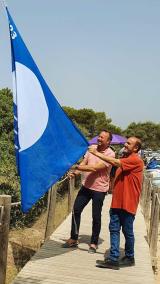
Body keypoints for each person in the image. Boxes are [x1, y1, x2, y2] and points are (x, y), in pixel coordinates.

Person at [88, 136, 144, 268]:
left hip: (128, 203)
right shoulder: (125, 159)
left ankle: (130, 257)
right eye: (126, 142)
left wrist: (96, 153)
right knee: (114, 229)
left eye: (129, 143)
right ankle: (113, 259)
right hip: (117, 202)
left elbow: (116, 163)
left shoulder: (136, 160)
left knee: (127, 231)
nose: (125, 144)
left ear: (136, 148)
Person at [63, 130, 115, 253]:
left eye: (102, 137)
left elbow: (94, 168)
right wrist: (76, 173)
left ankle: (93, 242)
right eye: (99, 136)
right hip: (86, 187)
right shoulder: (91, 149)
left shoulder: (110, 154)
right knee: (76, 210)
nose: (99, 138)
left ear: (108, 141)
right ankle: (74, 238)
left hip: (99, 189)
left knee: (96, 216)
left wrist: (74, 166)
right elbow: (84, 163)